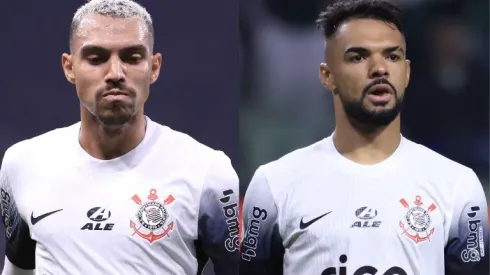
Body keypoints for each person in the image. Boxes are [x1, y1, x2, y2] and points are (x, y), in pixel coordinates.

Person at [239, 0, 489, 274]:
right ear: (327, 75)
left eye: (392, 56)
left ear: (406, 72)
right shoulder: (273, 186)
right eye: (358, 57)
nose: (379, 69)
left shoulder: (457, 187)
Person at [0, 0, 239, 274]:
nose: (115, 73)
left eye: (132, 57)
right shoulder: (22, 164)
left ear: (155, 67)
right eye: (96, 58)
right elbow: (18, 267)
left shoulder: (209, 173)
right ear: (69, 67)